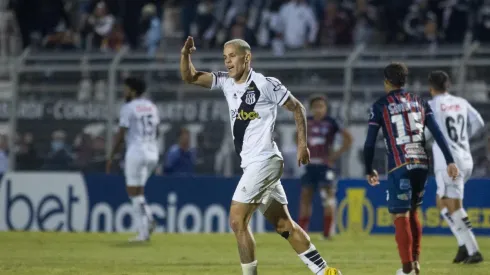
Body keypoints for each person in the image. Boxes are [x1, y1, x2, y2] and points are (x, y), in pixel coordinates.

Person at [180, 36, 339, 275]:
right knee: (284, 225)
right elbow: (190, 77)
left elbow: (298, 108)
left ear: (247, 57)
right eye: (225, 57)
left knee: (236, 220)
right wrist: (185, 55)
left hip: (265, 161)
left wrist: (302, 145)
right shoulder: (225, 82)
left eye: (232, 56)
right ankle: (324, 271)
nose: (228, 62)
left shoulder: (265, 84)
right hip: (254, 165)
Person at [363, 62, 459, 275]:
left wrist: (369, 168)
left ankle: (407, 269)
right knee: (414, 211)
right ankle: (415, 264)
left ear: (387, 81)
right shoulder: (420, 102)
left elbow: (369, 143)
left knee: (400, 215)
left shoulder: (380, 105)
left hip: (400, 163)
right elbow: (438, 134)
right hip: (421, 162)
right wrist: (450, 160)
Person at [427, 71, 485, 264]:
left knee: (454, 205)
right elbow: (479, 123)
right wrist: (462, 139)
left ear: (430, 87)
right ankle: (462, 245)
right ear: (448, 85)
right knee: (441, 202)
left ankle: (473, 250)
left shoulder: (432, 105)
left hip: (448, 162)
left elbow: (426, 133)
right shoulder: (461, 102)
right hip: (465, 157)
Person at [106, 77, 160, 242]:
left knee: (132, 192)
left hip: (136, 152)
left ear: (133, 91)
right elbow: (157, 130)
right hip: (152, 151)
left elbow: (121, 134)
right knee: (139, 192)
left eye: (126, 88)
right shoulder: (151, 106)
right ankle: (143, 234)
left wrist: (111, 156)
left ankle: (149, 217)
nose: (124, 92)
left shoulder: (128, 108)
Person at [298, 95, 353, 239]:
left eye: (321, 106)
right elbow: (296, 136)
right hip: (310, 166)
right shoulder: (306, 122)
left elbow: (348, 138)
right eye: (315, 106)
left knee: (328, 197)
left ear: (326, 108)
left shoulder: (332, 122)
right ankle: (302, 233)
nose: (318, 109)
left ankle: (328, 232)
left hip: (325, 166)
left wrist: (335, 155)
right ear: (311, 108)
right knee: (305, 196)